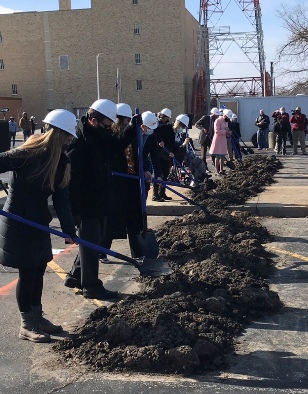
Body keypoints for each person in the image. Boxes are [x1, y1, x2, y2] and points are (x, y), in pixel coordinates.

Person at [0, 109, 77, 343]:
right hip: (18, 221)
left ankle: (37, 315)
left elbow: (62, 200)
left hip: (39, 223)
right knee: (27, 271)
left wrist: (68, 230)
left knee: (39, 269)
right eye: (69, 137)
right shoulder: (26, 153)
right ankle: (27, 324)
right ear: (62, 136)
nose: (70, 141)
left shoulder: (61, 161)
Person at [64, 99, 138, 300]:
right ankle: (91, 286)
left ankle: (75, 276)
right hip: (87, 203)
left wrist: (131, 128)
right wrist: (74, 213)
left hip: (100, 198)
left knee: (93, 240)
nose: (109, 128)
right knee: (90, 245)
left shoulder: (99, 136)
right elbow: (72, 181)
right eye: (107, 124)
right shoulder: (80, 143)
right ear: (94, 120)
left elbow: (116, 145)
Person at [153, 108, 175, 202]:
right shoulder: (156, 125)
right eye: (164, 117)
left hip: (166, 153)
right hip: (158, 152)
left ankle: (162, 192)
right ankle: (155, 194)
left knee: (165, 173)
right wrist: (159, 141)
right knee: (158, 173)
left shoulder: (165, 126)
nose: (165, 119)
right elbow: (153, 134)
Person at [195, 107, 220, 172]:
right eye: (216, 115)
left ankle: (217, 168)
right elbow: (197, 124)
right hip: (204, 138)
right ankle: (205, 168)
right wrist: (203, 129)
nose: (217, 116)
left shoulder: (216, 120)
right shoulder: (205, 118)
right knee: (203, 155)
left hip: (211, 138)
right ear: (213, 114)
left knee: (213, 153)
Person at [209, 110, 229, 175]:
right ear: (224, 115)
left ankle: (221, 170)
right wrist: (225, 131)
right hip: (218, 140)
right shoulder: (218, 121)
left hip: (223, 140)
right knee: (217, 156)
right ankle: (216, 170)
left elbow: (226, 129)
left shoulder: (226, 121)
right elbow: (217, 131)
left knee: (222, 156)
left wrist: (228, 132)